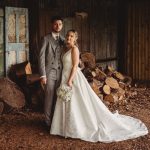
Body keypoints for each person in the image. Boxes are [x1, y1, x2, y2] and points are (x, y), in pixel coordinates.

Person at [50, 29, 148, 142]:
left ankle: (76, 128)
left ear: (75, 38)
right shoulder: (65, 49)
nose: (69, 38)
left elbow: (75, 66)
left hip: (72, 78)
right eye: (68, 36)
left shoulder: (75, 49)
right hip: (65, 76)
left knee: (76, 102)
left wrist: (70, 80)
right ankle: (64, 128)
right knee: (66, 100)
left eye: (72, 36)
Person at [38, 16, 64, 127]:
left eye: (60, 24)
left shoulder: (63, 39)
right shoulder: (46, 38)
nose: (58, 26)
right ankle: (47, 122)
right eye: (55, 24)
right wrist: (43, 75)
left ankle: (55, 121)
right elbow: (41, 57)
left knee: (58, 97)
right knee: (49, 96)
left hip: (61, 72)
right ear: (51, 25)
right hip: (49, 73)